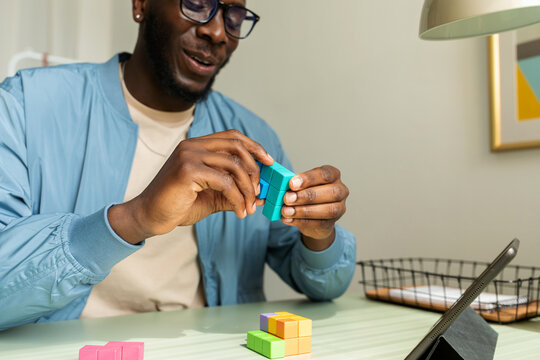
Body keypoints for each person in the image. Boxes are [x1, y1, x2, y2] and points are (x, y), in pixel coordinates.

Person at [0, 0, 356, 330]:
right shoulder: (25, 105)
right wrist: (135, 217)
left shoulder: (255, 138)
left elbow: (325, 286)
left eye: (232, 17)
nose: (217, 32)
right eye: (197, 4)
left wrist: (318, 235)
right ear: (141, 4)